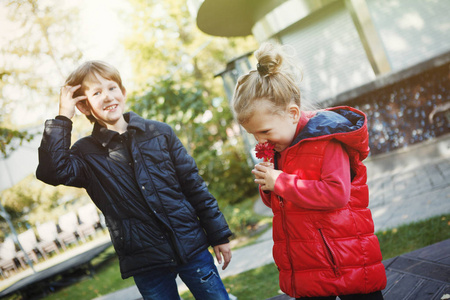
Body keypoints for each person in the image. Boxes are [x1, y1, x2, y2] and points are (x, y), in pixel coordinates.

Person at [36, 60, 232, 300]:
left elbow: (194, 186)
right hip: (145, 260)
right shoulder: (85, 154)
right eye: (96, 93)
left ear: (123, 92)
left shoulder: (160, 133)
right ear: (84, 107)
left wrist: (218, 235)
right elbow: (51, 171)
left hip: (191, 248)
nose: (108, 97)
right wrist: (64, 116)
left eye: (111, 88)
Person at [232, 43, 386, 300]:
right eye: (254, 135)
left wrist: (279, 181)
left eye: (265, 131)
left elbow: (336, 194)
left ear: (292, 113)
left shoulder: (326, 141)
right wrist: (268, 185)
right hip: (306, 262)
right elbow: (281, 203)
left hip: (345, 259)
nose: (260, 141)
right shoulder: (280, 146)